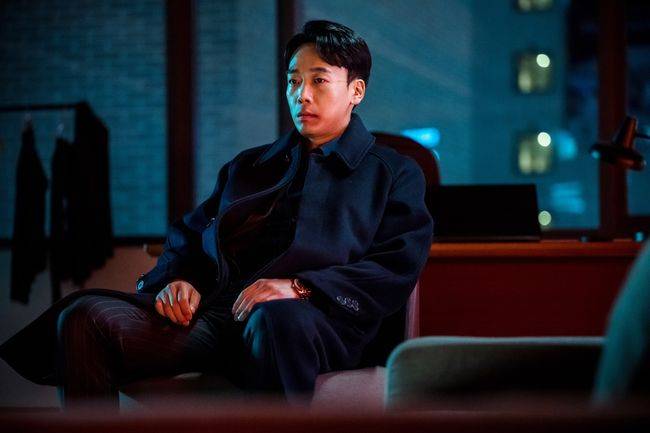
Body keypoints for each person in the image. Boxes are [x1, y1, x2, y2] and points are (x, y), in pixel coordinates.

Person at [0, 20, 433, 409]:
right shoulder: (251, 165)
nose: (301, 94)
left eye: (319, 80)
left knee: (276, 320)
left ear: (356, 91)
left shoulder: (394, 173)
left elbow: (395, 265)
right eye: (293, 81)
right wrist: (178, 280)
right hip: (216, 316)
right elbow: (188, 236)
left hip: (312, 322)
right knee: (84, 319)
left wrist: (299, 287)